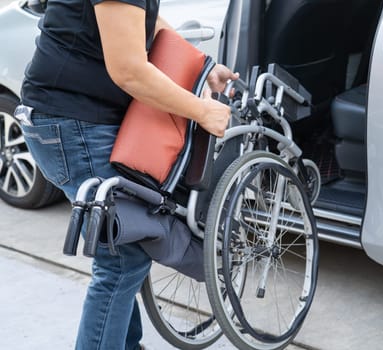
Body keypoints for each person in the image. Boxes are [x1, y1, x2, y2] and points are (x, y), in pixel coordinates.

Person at [18, 0, 238, 348]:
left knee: (122, 248)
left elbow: (143, 21)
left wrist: (203, 67)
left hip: (66, 119)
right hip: (76, 125)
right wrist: (201, 110)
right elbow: (129, 71)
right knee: (122, 261)